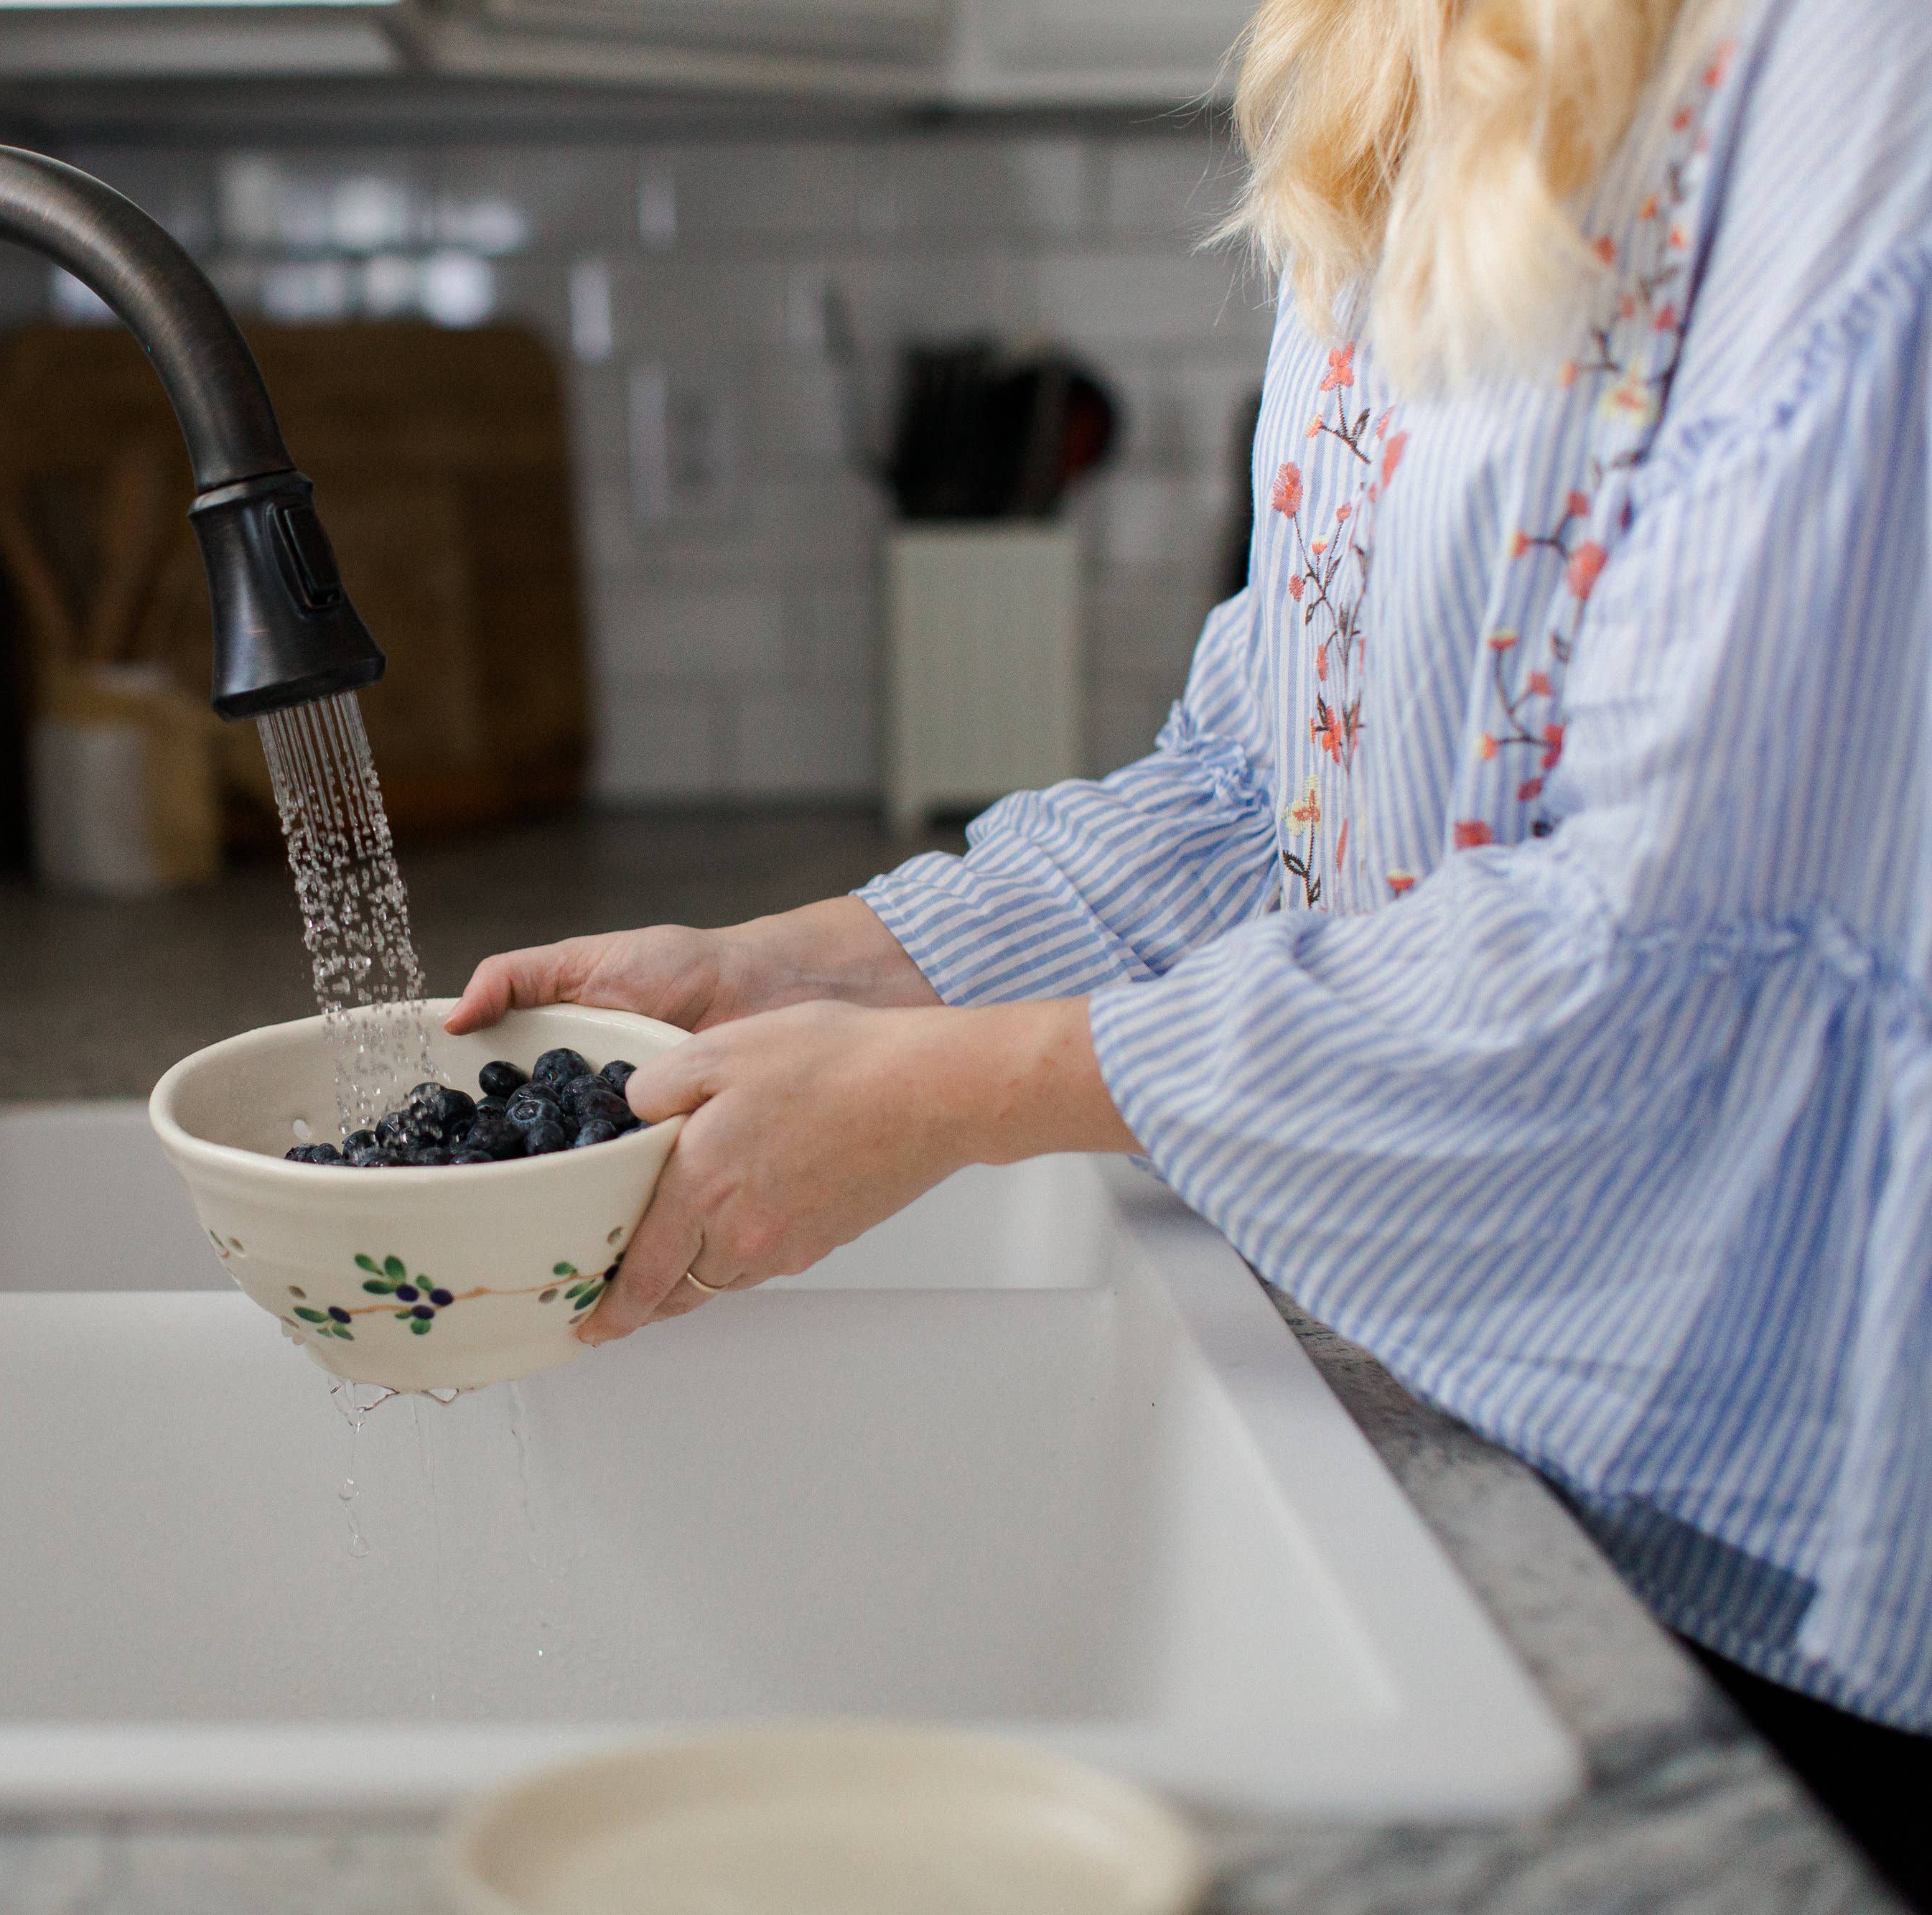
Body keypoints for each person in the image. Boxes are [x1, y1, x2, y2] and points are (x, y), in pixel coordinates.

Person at [447, 0, 1931, 1897]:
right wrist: (817, 966)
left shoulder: (1856, 68)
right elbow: (1265, 786)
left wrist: (953, 1097)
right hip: (1552, 1431)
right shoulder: (1404, 49)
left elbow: (1650, 949)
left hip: (1794, 1477)